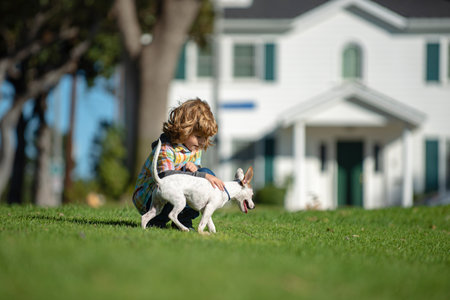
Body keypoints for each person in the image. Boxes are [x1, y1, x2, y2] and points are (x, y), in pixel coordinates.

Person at [132, 98, 225, 229]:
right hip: (151, 198)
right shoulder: (166, 148)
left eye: (205, 137)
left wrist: (196, 169)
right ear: (184, 129)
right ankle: (156, 220)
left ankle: (184, 219)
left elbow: (193, 173)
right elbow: (166, 177)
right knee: (204, 176)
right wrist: (200, 175)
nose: (202, 142)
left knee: (206, 175)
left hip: (176, 192)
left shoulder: (194, 147)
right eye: (198, 136)